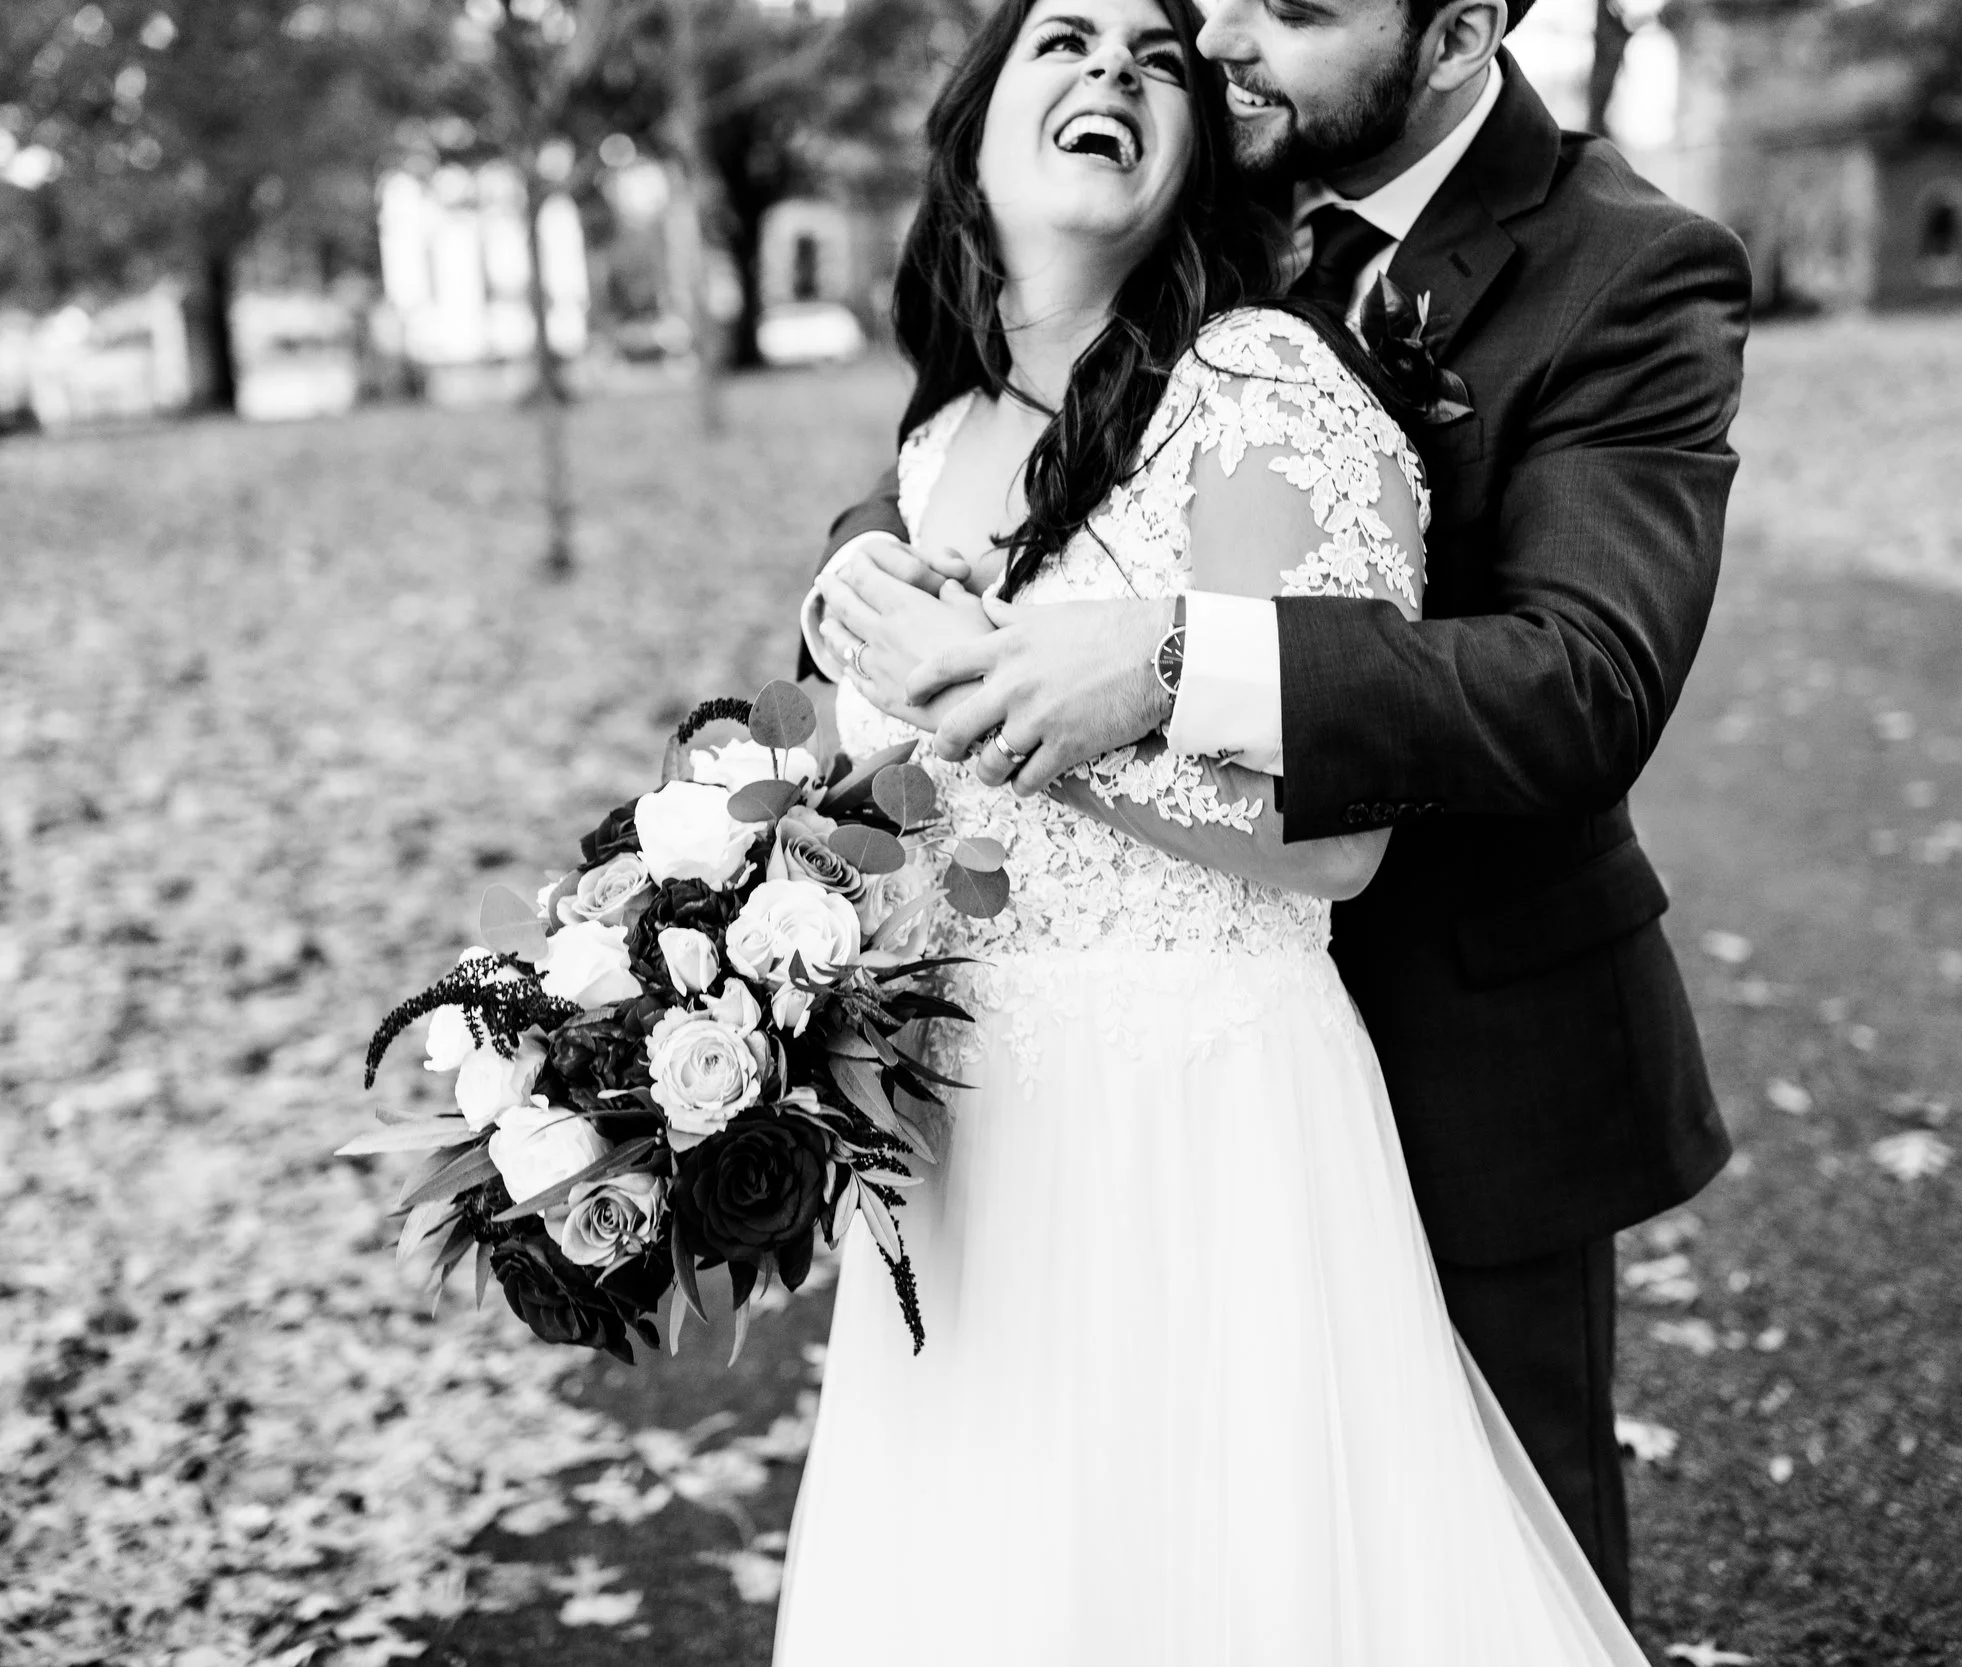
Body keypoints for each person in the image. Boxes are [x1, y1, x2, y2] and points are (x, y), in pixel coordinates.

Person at [774, 0, 1702, 1659]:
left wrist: (1142, 664)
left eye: (1294, 7)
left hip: (1373, 1051)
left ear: (1453, 35)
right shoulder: (1156, 230)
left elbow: (1583, 679)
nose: (1214, 42)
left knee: (1409, 1571)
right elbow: (997, 429)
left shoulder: (1613, 268)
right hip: (998, 1126)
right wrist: (856, 596)